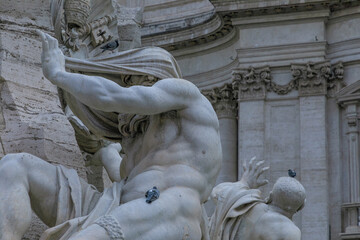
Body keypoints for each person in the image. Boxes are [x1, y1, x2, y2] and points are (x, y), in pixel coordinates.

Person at [0, 31, 222, 240]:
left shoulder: (187, 97)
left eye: (128, 80)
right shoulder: (136, 136)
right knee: (14, 165)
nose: (126, 87)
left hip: (168, 208)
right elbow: (123, 176)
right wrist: (105, 150)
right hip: (115, 204)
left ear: (150, 77)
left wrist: (59, 74)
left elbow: (112, 95)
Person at [209, 157, 306, 240]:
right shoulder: (290, 231)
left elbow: (218, 192)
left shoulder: (245, 204)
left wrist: (244, 183)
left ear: (271, 196)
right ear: (301, 207)